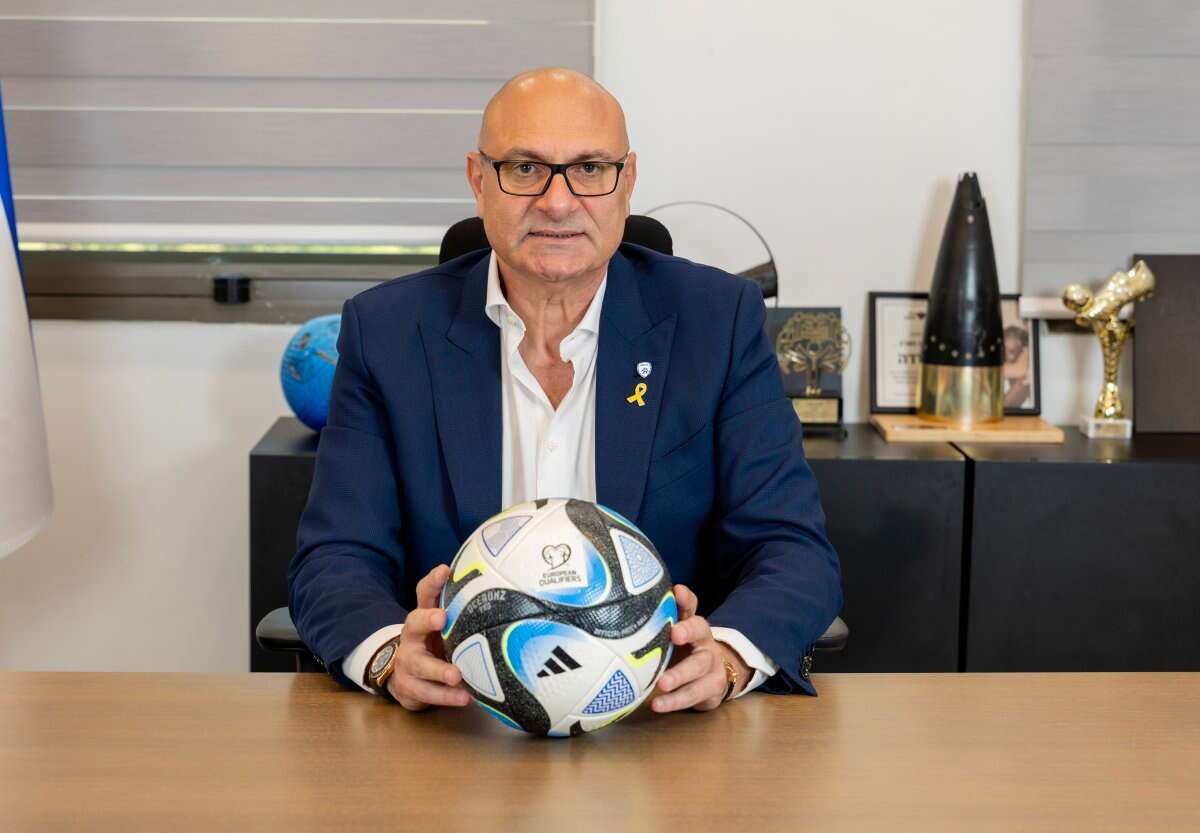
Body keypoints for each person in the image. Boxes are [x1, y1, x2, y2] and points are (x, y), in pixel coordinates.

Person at [288, 67, 842, 714]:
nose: (557, 201)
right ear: (478, 180)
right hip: (455, 720)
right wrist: (389, 655)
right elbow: (334, 556)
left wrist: (725, 656)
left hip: (663, 721)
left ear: (627, 182)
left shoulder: (717, 322)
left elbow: (793, 550)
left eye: (589, 168)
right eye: (525, 168)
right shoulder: (388, 333)